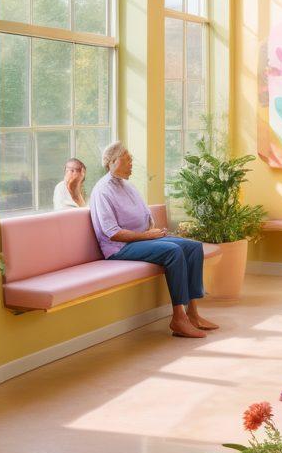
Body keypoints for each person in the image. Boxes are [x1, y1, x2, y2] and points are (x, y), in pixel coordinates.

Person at [89, 141, 218, 339]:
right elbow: (112, 232)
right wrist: (147, 236)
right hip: (120, 247)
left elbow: (144, 215)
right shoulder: (102, 190)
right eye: (128, 158)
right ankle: (178, 318)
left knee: (192, 247)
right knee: (173, 251)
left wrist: (153, 232)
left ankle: (193, 313)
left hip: (141, 241)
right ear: (112, 162)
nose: (132, 162)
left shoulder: (126, 186)